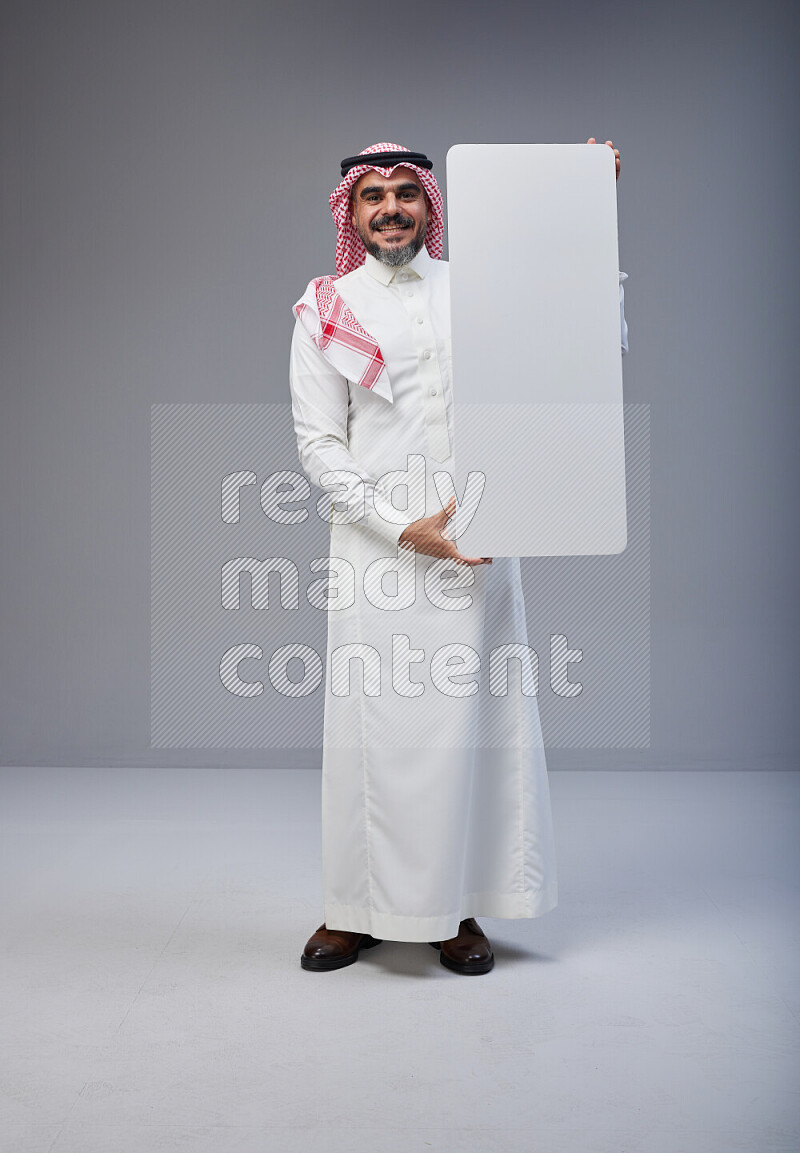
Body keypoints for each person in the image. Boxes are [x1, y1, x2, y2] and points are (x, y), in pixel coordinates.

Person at [289, 140, 626, 975]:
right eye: (374, 196)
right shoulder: (326, 306)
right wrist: (404, 527)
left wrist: (583, 205)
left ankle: (457, 911)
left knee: (471, 732)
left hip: (479, 532)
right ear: (351, 212)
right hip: (381, 549)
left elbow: (573, 335)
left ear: (429, 205)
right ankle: (353, 907)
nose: (392, 208)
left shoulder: (479, 289)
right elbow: (319, 447)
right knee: (378, 737)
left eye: (407, 192)